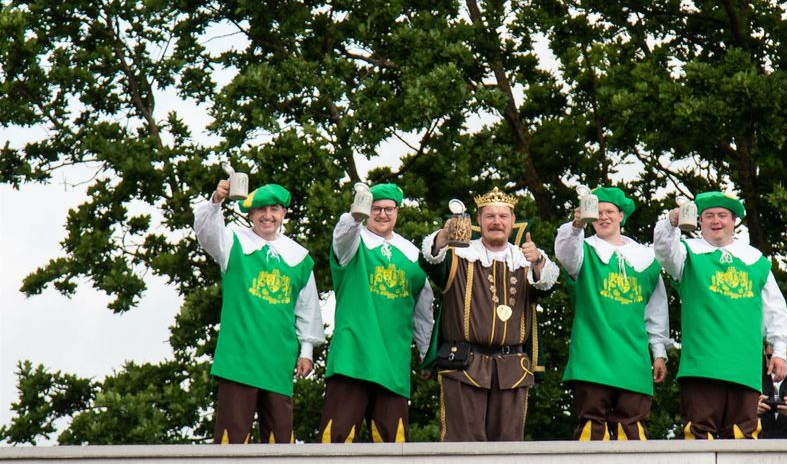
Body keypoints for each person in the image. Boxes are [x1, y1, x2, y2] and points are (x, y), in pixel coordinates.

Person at [420, 187, 559, 441]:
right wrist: (443, 235)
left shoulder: (526, 258)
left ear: (513, 221)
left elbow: (545, 286)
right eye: (490, 216)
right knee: (462, 447)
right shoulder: (458, 254)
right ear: (479, 220)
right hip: (464, 364)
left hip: (512, 370)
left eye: (503, 216)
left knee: (508, 449)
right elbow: (430, 260)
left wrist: (537, 260)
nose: (497, 222)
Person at [653, 191, 787, 439]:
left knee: (743, 437)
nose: (716, 221)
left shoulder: (755, 260)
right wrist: (671, 222)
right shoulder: (687, 253)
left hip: (744, 368)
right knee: (698, 435)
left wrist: (780, 351)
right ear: (700, 221)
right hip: (702, 365)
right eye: (709, 216)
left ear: (733, 221)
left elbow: (775, 309)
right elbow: (664, 252)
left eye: (722, 215)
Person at [194, 181, 325, 444]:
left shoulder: (298, 256)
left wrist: (306, 352)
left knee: (280, 443)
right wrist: (216, 201)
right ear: (250, 214)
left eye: (274, 209)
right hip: (239, 360)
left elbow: (308, 308)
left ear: (283, 213)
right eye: (261, 209)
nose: (267, 215)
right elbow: (206, 233)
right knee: (232, 441)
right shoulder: (232, 241)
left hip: (278, 361)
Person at [554, 187, 672, 441]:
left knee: (631, 428)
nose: (603, 217)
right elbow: (565, 255)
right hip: (592, 354)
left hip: (633, 356)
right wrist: (576, 224)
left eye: (609, 212)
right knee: (592, 427)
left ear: (621, 215)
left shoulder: (646, 259)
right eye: (597, 212)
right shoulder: (583, 250)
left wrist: (659, 353)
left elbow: (656, 311)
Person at [319, 183, 433, 443]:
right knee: (336, 437)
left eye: (388, 209)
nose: (382, 214)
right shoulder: (353, 241)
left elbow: (423, 312)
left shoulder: (414, 255)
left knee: (393, 443)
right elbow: (341, 236)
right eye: (376, 209)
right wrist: (355, 212)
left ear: (397, 211)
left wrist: (427, 354)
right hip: (352, 357)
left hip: (393, 361)